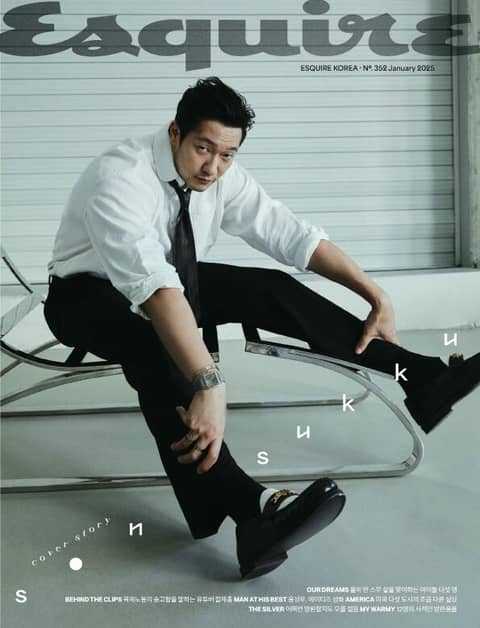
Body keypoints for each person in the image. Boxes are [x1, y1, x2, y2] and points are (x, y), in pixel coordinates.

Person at [43, 76, 480, 580]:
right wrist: (210, 384)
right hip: (84, 297)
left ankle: (422, 377)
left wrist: (375, 295)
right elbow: (155, 292)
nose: (213, 167)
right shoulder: (121, 178)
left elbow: (289, 234)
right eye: (203, 148)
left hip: (170, 281)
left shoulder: (220, 174)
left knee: (267, 287)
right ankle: (252, 509)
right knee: (155, 346)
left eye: (227, 155)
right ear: (175, 132)